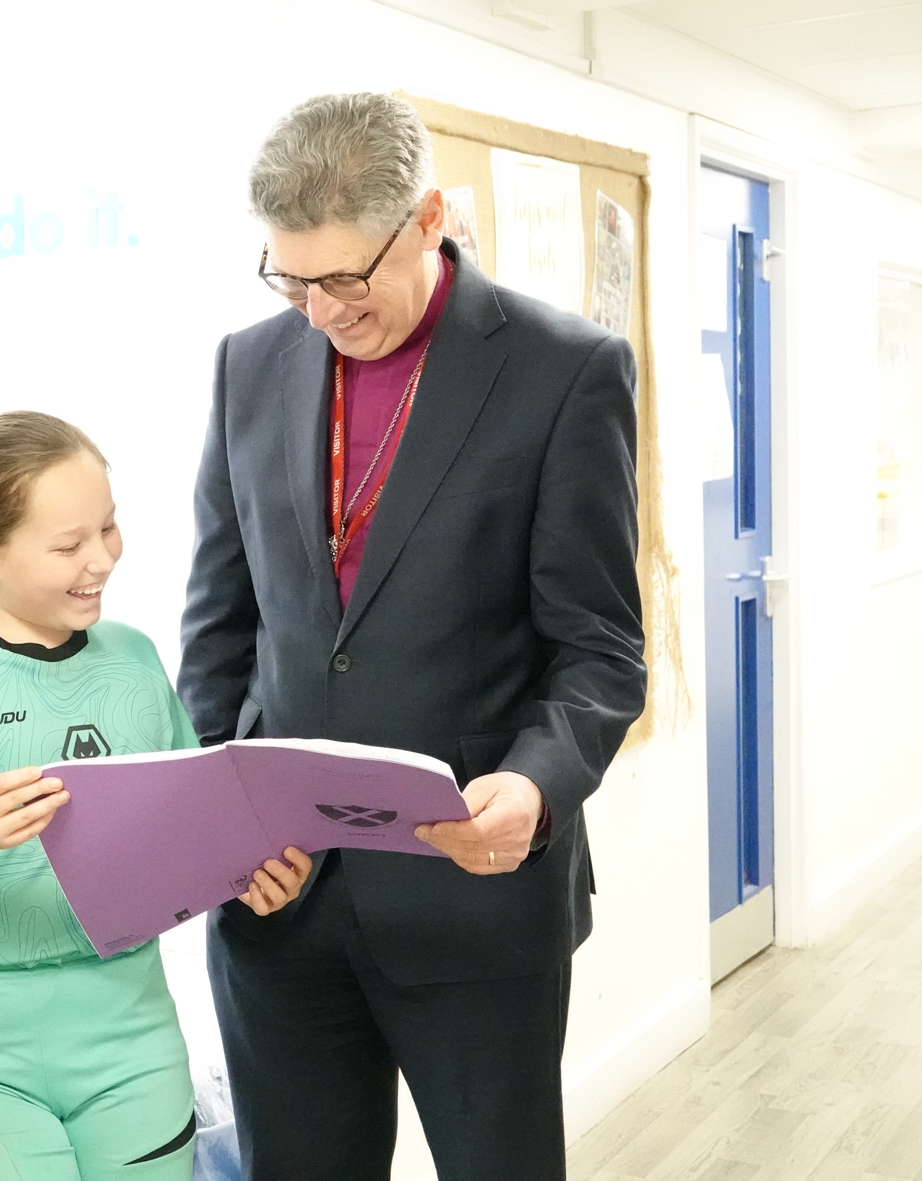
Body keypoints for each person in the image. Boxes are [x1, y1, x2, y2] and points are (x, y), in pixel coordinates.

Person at [179, 93, 646, 1180]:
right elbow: (218, 624)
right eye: (289, 279)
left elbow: (598, 648)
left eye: (344, 278)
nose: (318, 312)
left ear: (427, 217)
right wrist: (216, 816)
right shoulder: (248, 364)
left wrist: (532, 788)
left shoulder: (561, 370)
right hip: (279, 904)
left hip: (472, 900)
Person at [0, 412, 312, 1181]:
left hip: (131, 1032)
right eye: (68, 545)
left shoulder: (135, 659)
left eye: (109, 529)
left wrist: (252, 875)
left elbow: (192, 828)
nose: (100, 561)